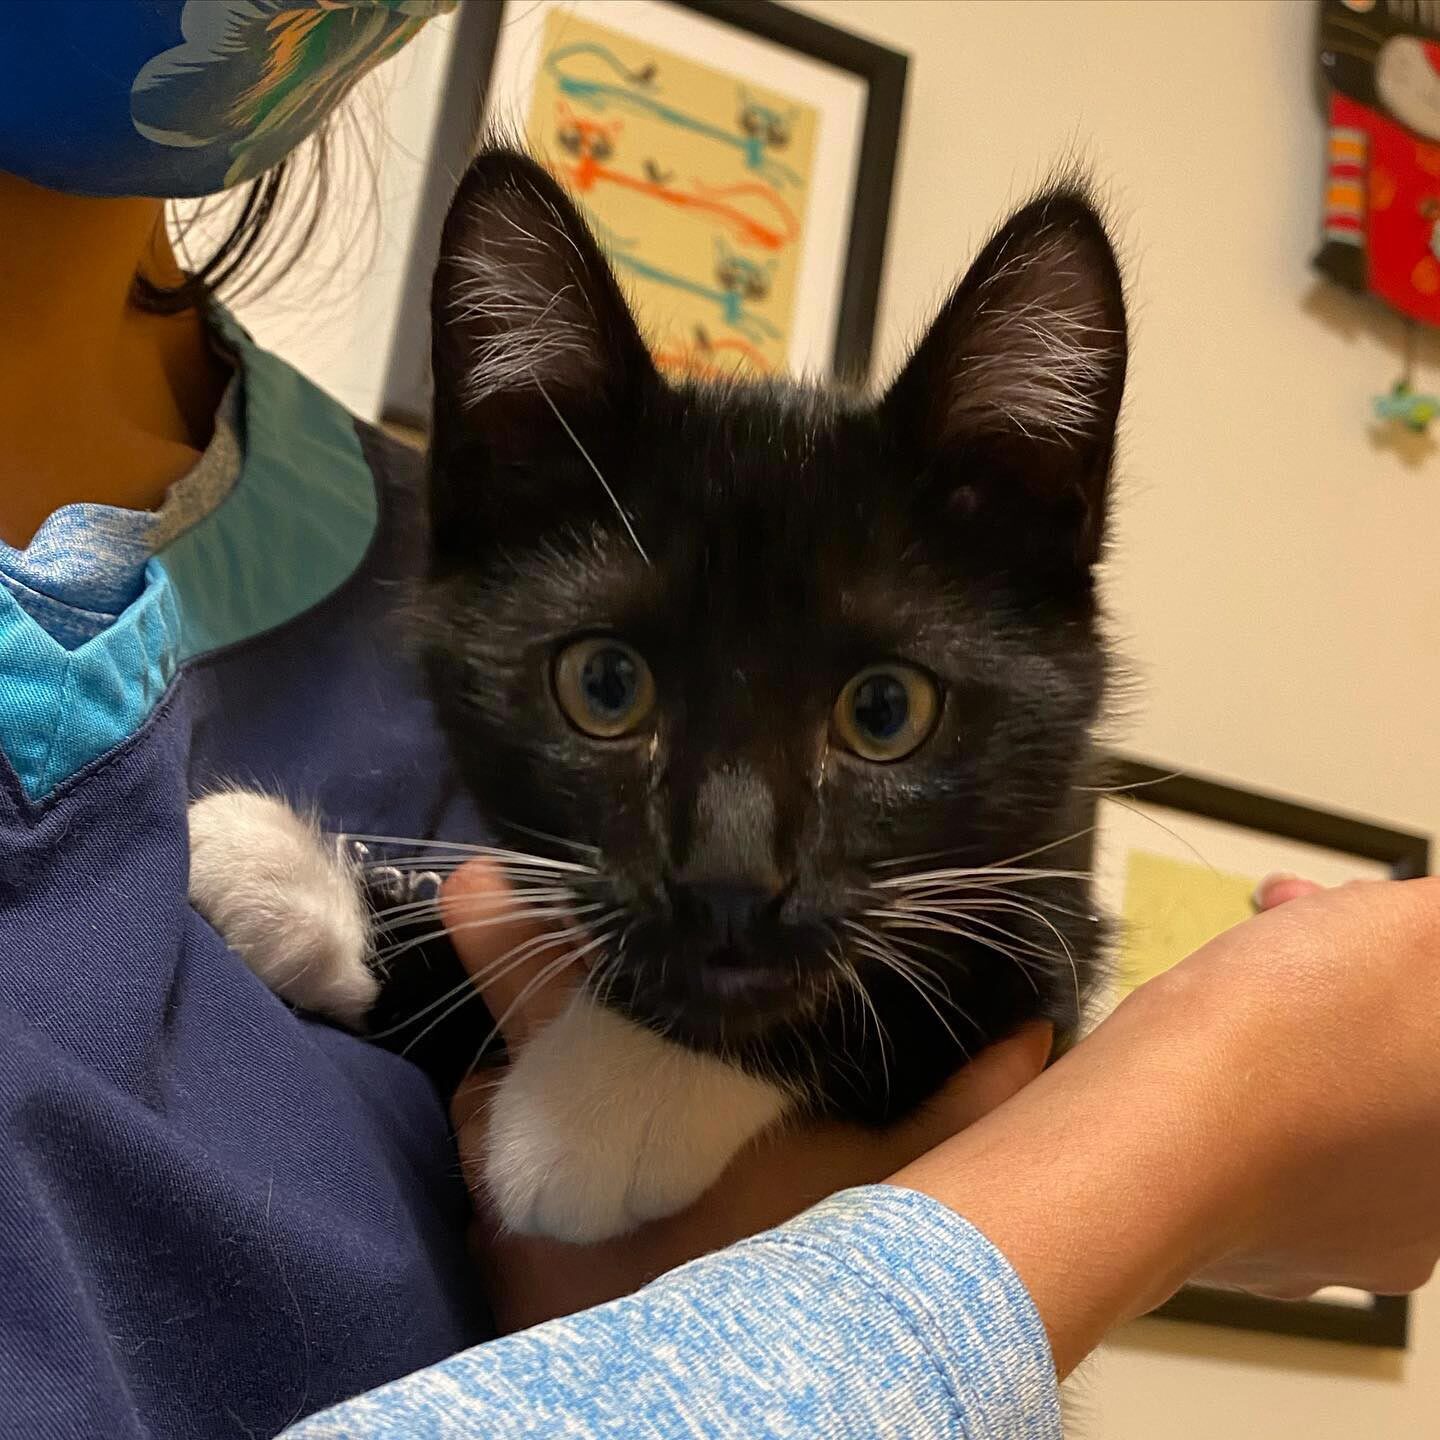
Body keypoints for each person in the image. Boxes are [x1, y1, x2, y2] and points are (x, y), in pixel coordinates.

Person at [1, 6, 1437, 1438]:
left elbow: (1012, 967)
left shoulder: (365, 555)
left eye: (881, 712)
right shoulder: (437, 634)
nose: (734, 864)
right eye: (608, 692)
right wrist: (1181, 1148)